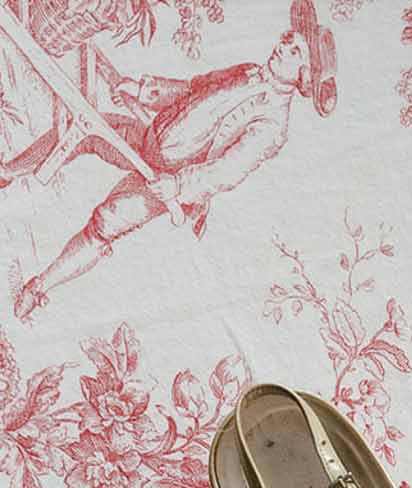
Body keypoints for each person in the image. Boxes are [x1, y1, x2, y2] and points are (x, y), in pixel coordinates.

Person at [12, 0, 336, 320]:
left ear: (305, 77)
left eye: (295, 51)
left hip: (168, 182)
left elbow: (226, 171)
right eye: (288, 39)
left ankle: (37, 288)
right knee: (85, 132)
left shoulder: (272, 124)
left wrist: (179, 185)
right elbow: (191, 89)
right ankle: (8, 171)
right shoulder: (247, 70)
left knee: (107, 220)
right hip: (152, 138)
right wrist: (144, 91)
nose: (283, 47)